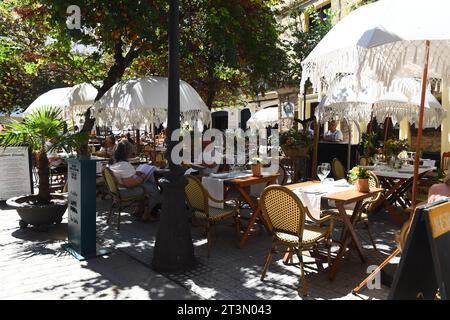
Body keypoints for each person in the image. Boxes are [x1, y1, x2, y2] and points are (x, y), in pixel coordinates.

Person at [109, 141, 161, 221]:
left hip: (118, 190)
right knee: (154, 189)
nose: (132, 152)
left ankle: (139, 210)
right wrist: (143, 177)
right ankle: (147, 214)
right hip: (124, 191)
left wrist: (135, 174)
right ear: (126, 153)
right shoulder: (124, 165)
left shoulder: (115, 163)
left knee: (148, 186)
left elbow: (125, 177)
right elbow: (129, 184)